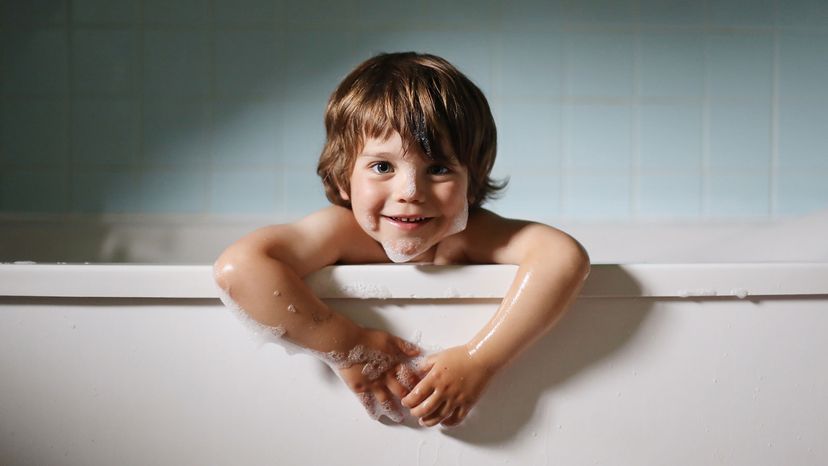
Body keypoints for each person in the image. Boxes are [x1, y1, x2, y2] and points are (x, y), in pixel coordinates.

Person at [213, 52, 590, 428]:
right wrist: (346, 345)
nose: (410, 191)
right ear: (344, 176)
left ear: (471, 181)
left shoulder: (470, 233)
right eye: (382, 167)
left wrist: (480, 359)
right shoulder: (342, 232)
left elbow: (562, 256)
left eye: (438, 169)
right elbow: (240, 267)